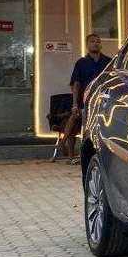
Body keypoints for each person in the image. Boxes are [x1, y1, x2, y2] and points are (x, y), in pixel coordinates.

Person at [54, 34, 111, 163]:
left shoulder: (108, 62)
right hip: (85, 101)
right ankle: (64, 145)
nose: (95, 44)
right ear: (87, 45)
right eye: (92, 41)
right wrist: (74, 104)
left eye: (98, 41)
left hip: (103, 101)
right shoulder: (81, 63)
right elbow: (75, 84)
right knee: (74, 117)